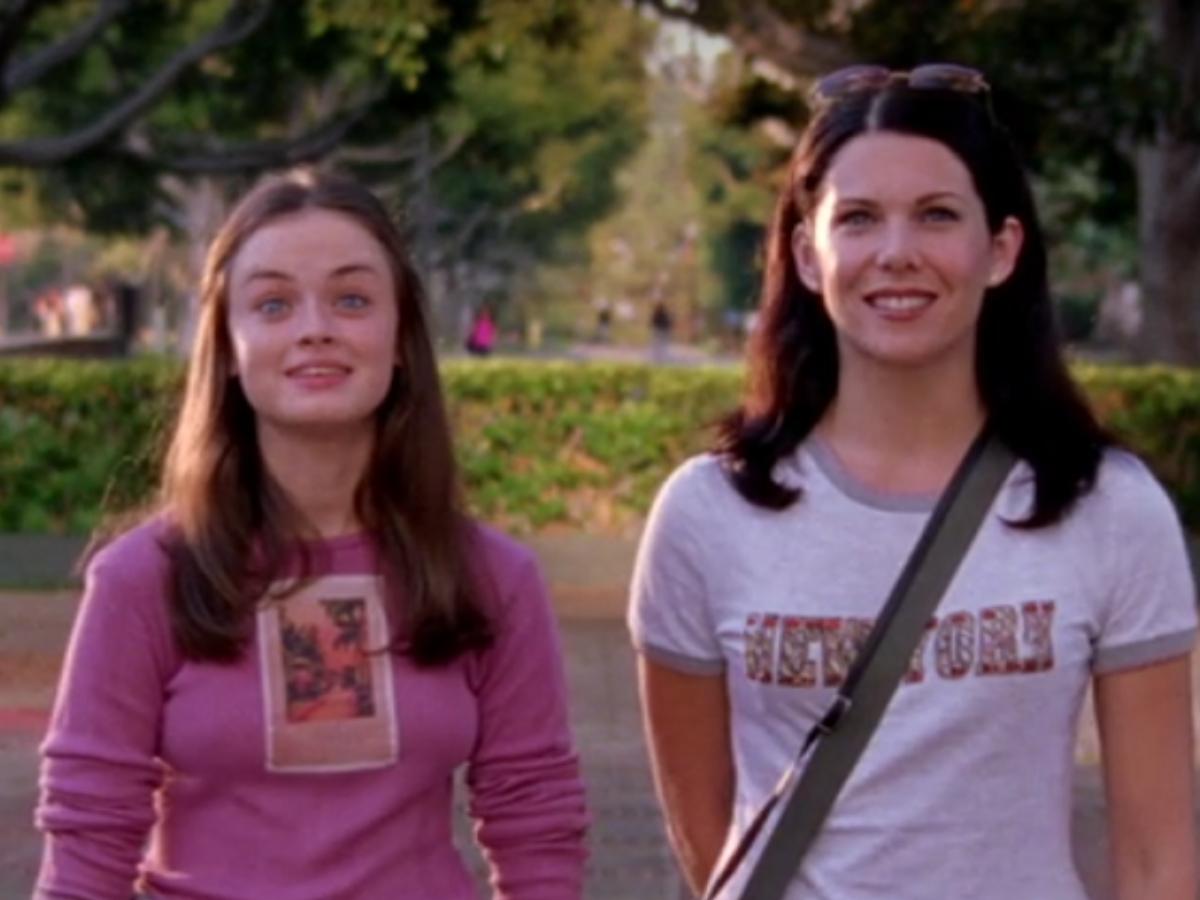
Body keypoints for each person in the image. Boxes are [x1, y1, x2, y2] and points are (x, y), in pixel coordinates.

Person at [629, 64, 1197, 900]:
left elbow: (1158, 860)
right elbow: (708, 835)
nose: (896, 254)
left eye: (937, 215)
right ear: (808, 256)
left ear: (1001, 250)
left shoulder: (1107, 506)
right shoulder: (708, 511)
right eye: (858, 219)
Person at [36, 171, 588, 899]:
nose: (315, 328)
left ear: (401, 338)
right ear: (227, 348)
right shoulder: (142, 579)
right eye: (273, 304)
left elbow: (536, 819)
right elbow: (89, 835)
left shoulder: (493, 576)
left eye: (352, 299)